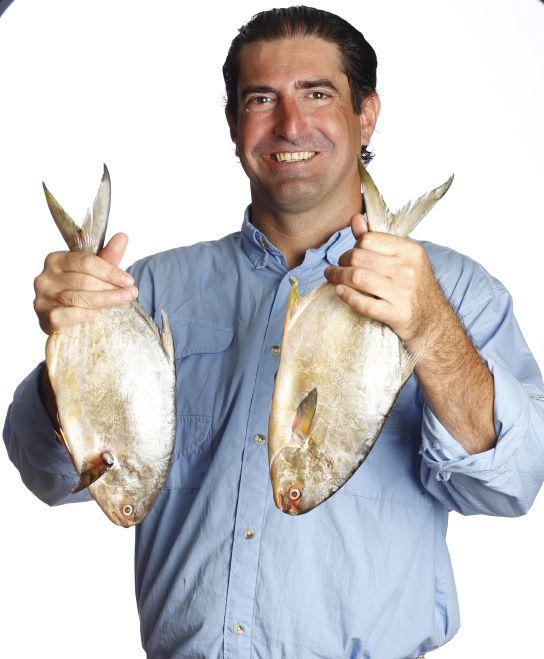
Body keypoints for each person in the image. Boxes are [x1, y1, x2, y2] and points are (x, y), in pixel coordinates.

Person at [4, 6, 544, 658]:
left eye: (317, 94)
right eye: (262, 99)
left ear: (366, 113)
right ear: (234, 125)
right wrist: (68, 344)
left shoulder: (453, 290)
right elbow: (44, 471)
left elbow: (512, 480)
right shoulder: (145, 290)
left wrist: (429, 327)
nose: (290, 124)